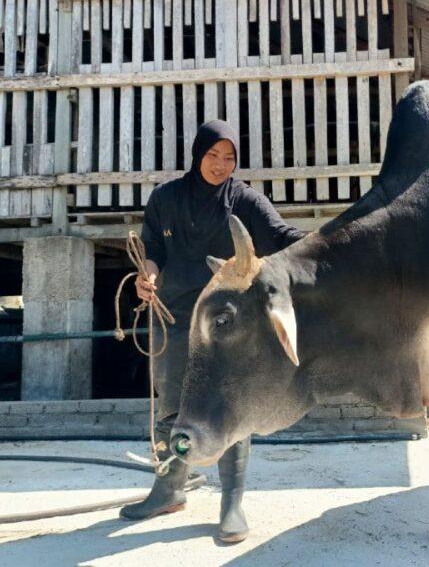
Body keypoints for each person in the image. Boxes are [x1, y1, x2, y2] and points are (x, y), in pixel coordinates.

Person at [119, 120, 304, 543]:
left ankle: (232, 503)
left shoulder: (245, 200)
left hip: (226, 325)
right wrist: (145, 277)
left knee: (227, 409)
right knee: (171, 409)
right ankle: (168, 490)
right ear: (197, 154)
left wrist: (323, 242)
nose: (221, 165)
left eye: (229, 158)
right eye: (213, 156)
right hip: (173, 317)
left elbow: (279, 235)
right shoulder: (165, 198)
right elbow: (153, 250)